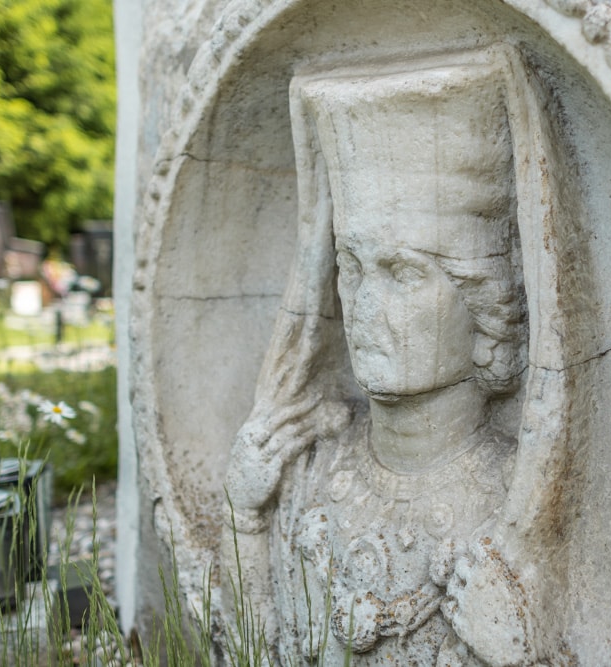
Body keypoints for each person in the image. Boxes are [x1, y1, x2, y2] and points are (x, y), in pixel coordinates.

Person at [228, 46, 568, 665]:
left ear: (485, 311)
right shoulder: (311, 472)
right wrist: (247, 518)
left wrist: (517, 654)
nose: (363, 304)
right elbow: (262, 647)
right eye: (353, 268)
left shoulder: (513, 501)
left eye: (404, 274)